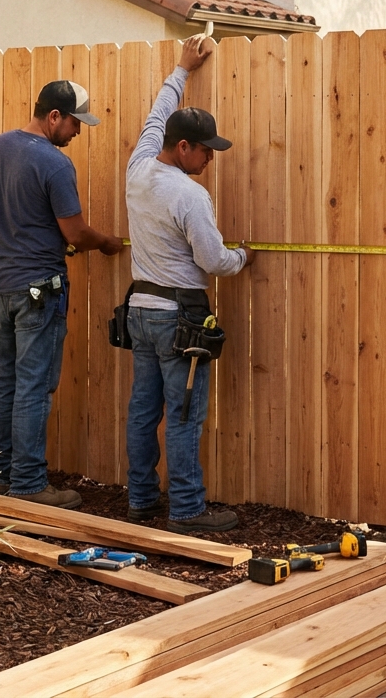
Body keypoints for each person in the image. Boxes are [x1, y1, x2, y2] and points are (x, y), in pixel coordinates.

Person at [124, 35, 254, 534]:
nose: (211, 159)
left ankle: (140, 501)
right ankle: (186, 510)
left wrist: (181, 71)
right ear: (183, 148)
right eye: (206, 151)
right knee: (181, 413)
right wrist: (244, 256)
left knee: (142, 409)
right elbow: (215, 261)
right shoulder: (190, 196)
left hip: (140, 311)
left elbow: (156, 118)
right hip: (180, 319)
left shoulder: (138, 169)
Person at [0, 79, 123, 508]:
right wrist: (105, 242)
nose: (78, 132)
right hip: (38, 287)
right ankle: (29, 483)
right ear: (54, 116)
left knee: (7, 379)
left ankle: (2, 476)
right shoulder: (54, 164)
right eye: (75, 122)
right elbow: (75, 230)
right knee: (34, 385)